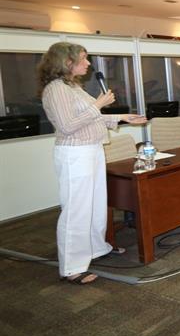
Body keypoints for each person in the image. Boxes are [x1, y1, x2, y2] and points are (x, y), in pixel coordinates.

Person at [38, 42, 146, 285]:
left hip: (92, 149)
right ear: (67, 62)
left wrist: (124, 117)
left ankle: (97, 248)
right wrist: (98, 104)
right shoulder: (56, 90)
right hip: (75, 153)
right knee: (76, 210)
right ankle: (72, 267)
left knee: (96, 205)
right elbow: (68, 126)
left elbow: (92, 118)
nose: (88, 63)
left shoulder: (73, 87)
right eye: (83, 58)